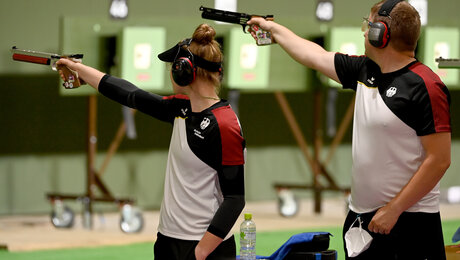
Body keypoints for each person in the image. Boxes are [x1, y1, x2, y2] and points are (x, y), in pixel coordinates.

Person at [248, 0, 451, 259]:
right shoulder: (365, 71)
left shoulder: (426, 86)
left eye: (369, 25)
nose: (364, 31)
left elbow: (440, 160)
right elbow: (315, 56)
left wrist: (394, 209)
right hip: (363, 218)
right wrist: (271, 29)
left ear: (382, 34)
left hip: (409, 221)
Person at [57, 24, 246, 260]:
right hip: (168, 240)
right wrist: (79, 69)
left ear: (184, 70)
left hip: (203, 248)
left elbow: (235, 199)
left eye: (172, 66)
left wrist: (200, 252)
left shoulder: (225, 124)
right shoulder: (182, 108)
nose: (170, 72)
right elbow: (131, 94)